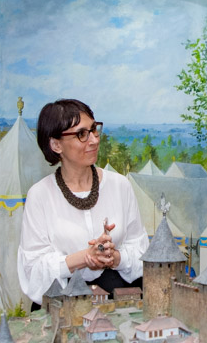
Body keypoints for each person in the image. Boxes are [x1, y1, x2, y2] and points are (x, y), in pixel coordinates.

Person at [17, 99, 148, 305]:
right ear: (56, 144)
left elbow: (141, 251)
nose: (94, 140)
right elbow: (33, 270)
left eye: (94, 129)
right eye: (81, 134)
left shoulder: (120, 186)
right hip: (62, 304)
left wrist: (114, 257)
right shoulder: (40, 195)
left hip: (120, 299)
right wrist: (84, 258)